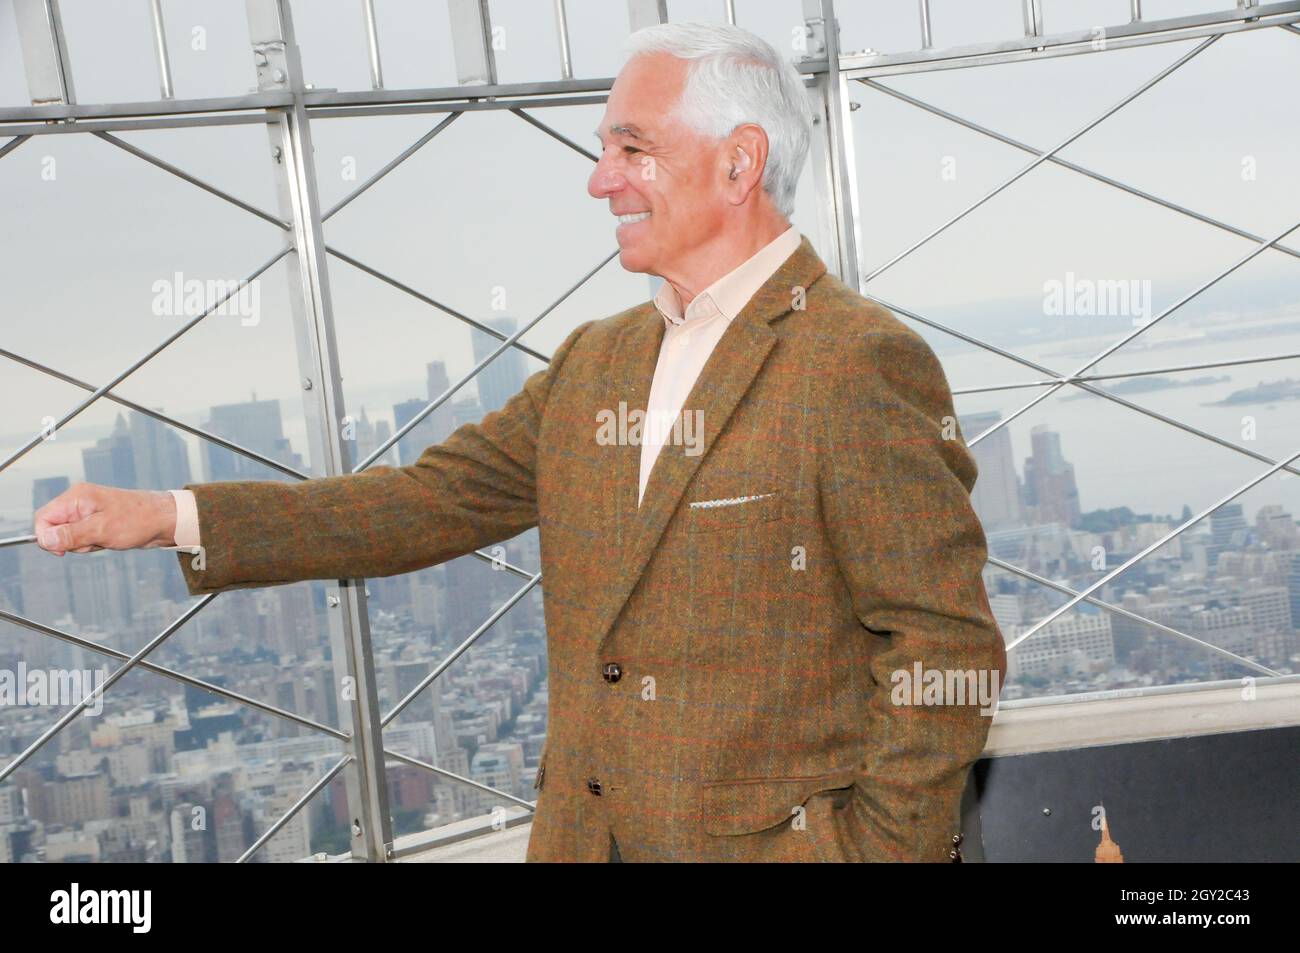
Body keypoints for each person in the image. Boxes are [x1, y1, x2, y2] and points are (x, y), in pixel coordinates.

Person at [34, 22, 1005, 862]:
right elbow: (417, 503)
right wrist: (169, 514)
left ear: (738, 161)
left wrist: (877, 852)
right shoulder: (597, 362)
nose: (599, 180)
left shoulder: (855, 361)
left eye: (632, 147)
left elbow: (945, 643)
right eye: (603, 149)